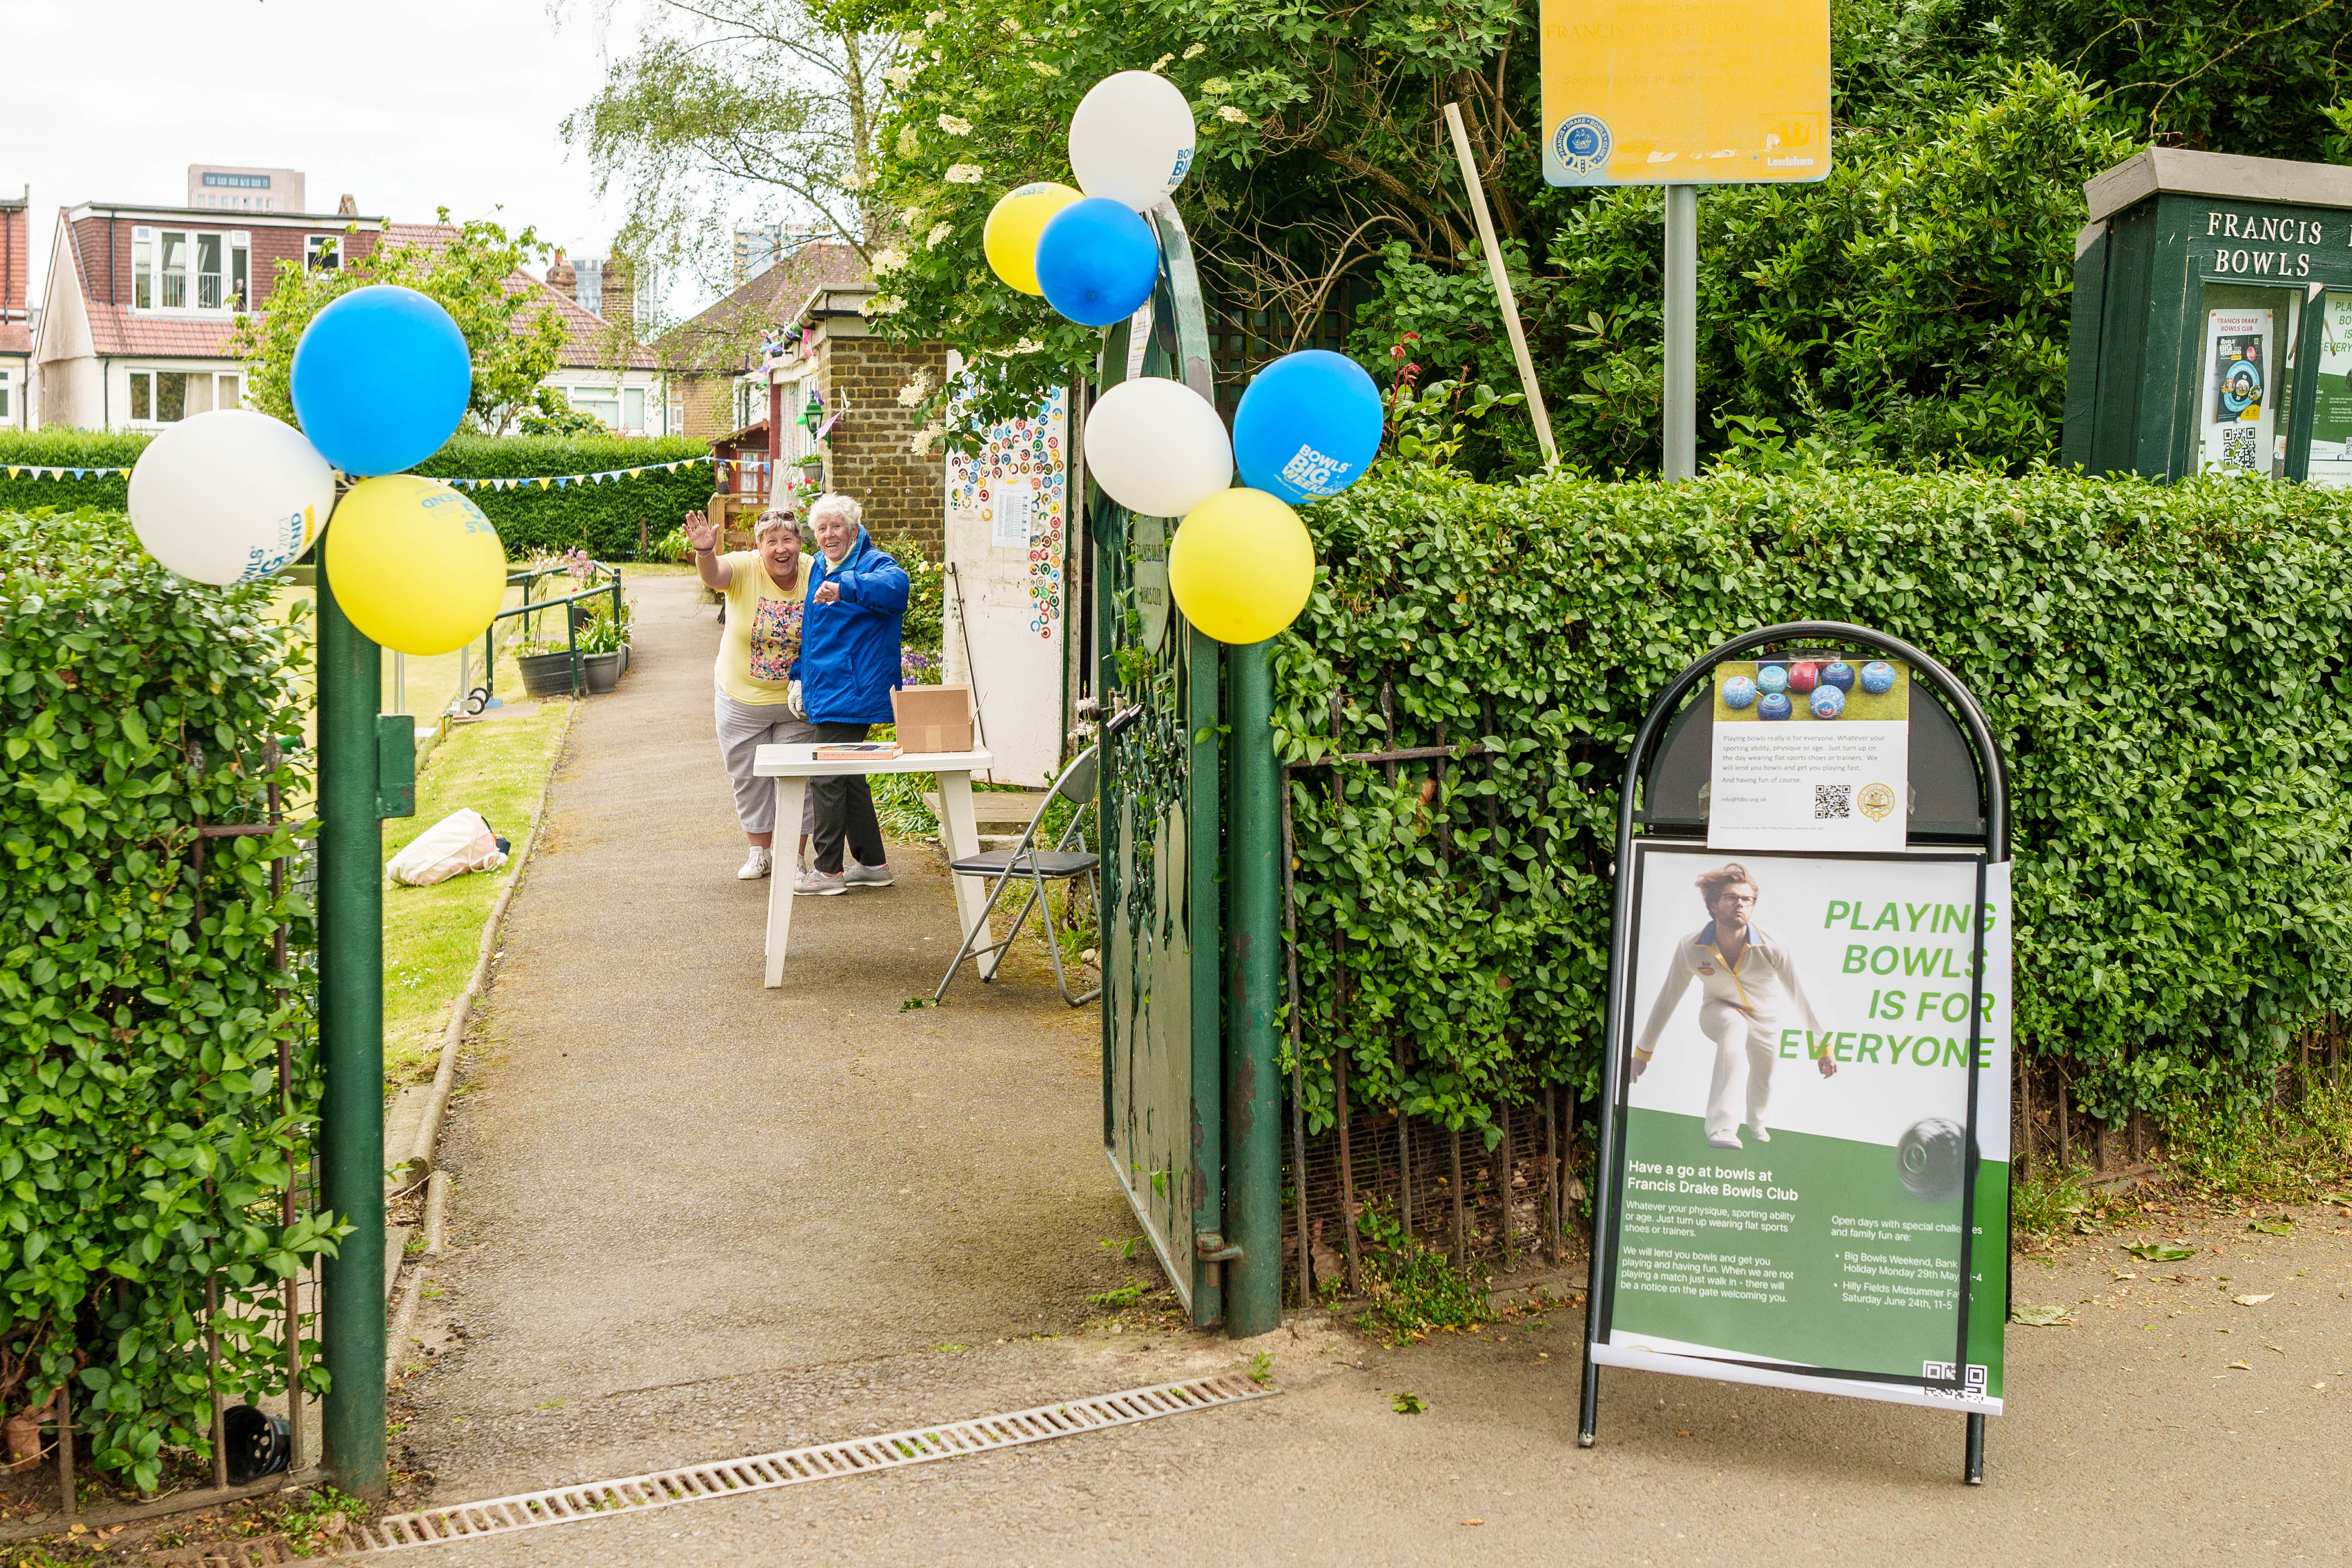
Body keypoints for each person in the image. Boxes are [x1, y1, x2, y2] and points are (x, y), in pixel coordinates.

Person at [1631, 862, 1834, 1151]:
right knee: (1733, 1023)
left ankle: (1757, 1122)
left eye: (1747, 899)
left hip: (1766, 1020)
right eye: (1731, 898)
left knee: (1764, 1081)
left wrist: (1823, 1048)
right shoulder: (1691, 948)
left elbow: (1801, 998)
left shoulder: (1773, 948)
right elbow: (1668, 998)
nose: (1740, 904)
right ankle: (1722, 1127)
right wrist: (1644, 1052)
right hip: (1718, 1012)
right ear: (1713, 905)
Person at [686, 506, 819, 881]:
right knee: (748, 777)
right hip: (740, 698)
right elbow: (714, 576)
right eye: (772, 541)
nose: (781, 548)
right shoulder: (744, 567)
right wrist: (705, 552)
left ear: (799, 542)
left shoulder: (814, 570)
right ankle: (759, 852)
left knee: (798, 779)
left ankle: (792, 856)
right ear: (759, 547)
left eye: (788, 539)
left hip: (795, 702)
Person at [794, 492, 909, 896]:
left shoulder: (873, 564)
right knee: (849, 774)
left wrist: (847, 587)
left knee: (826, 773)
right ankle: (873, 863)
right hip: (826, 689)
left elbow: (898, 588)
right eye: (822, 528)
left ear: (854, 529)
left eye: (836, 526)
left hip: (853, 689)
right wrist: (798, 676)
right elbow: (811, 629)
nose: (828, 535)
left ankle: (828, 871)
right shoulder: (819, 567)